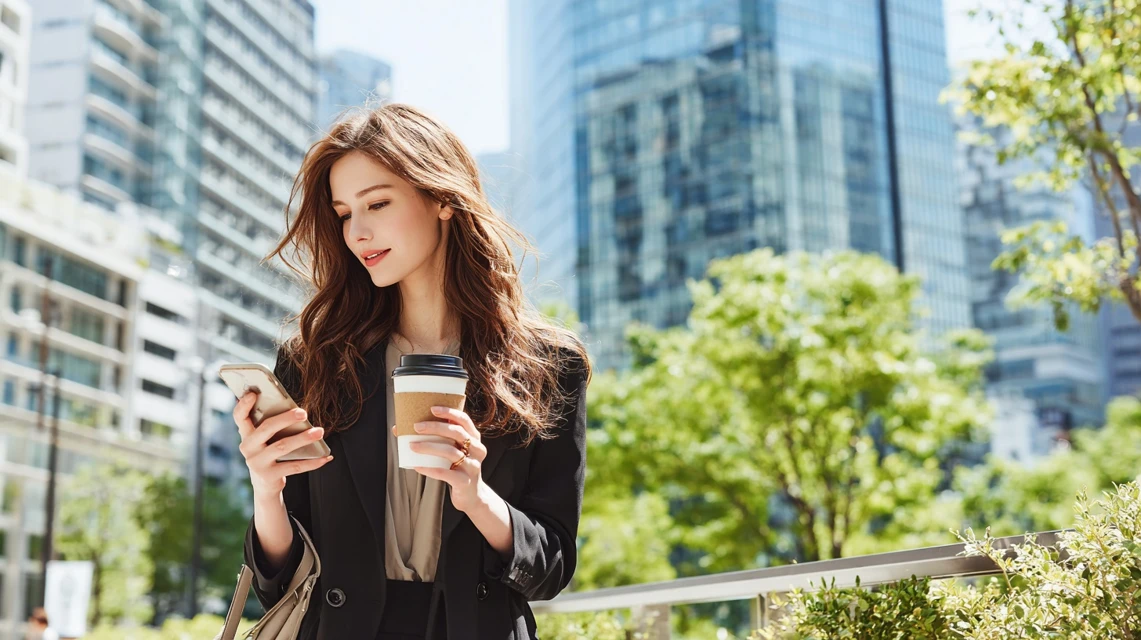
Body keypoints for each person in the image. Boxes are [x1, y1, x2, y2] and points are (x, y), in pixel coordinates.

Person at [236, 103, 591, 640]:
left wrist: (476, 495)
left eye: (377, 203)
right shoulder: (317, 359)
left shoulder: (547, 365)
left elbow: (552, 567)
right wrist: (266, 490)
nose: (358, 232)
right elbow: (278, 581)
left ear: (442, 199)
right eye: (344, 213)